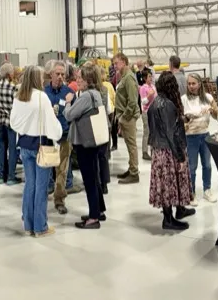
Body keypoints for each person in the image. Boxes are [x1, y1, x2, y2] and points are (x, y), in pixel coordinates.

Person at [11, 66, 62, 237]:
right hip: (41, 146)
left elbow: (14, 123)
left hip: (25, 145)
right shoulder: (42, 97)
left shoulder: (19, 97)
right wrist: (58, 133)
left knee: (29, 186)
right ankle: (40, 227)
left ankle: (28, 225)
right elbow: (52, 125)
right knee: (41, 188)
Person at [148, 72, 197, 230]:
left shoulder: (155, 102)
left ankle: (180, 209)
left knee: (167, 182)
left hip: (159, 150)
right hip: (169, 150)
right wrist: (180, 156)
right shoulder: (167, 104)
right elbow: (170, 133)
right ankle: (168, 219)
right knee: (170, 183)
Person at [65, 63, 109, 229]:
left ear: (88, 79)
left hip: (85, 143)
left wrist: (68, 102)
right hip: (95, 141)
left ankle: (93, 218)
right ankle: (98, 210)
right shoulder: (97, 93)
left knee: (89, 180)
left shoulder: (84, 97)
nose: (77, 80)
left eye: (80, 78)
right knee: (94, 177)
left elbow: (69, 115)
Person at [44, 61, 76, 214]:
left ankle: (59, 199)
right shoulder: (44, 93)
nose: (60, 77)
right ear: (51, 74)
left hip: (64, 136)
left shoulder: (69, 92)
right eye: (57, 74)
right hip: (48, 138)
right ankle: (44, 194)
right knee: (47, 168)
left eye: (63, 74)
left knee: (62, 170)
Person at [183, 73, 218, 205]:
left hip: (205, 135)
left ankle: (207, 189)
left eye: (194, 83)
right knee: (192, 166)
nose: (191, 86)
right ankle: (191, 192)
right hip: (190, 136)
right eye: (189, 84)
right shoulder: (183, 99)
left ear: (199, 84)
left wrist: (214, 110)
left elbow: (216, 115)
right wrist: (187, 119)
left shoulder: (208, 98)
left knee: (207, 165)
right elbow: (180, 119)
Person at [113, 54, 142, 184]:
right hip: (124, 116)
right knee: (130, 145)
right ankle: (131, 169)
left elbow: (132, 101)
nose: (115, 66)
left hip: (128, 117)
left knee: (131, 145)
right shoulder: (124, 77)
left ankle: (134, 173)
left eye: (116, 63)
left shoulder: (129, 78)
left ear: (124, 62)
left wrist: (124, 117)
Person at [138, 69, 156, 160]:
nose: (151, 78)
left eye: (151, 76)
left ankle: (153, 149)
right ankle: (144, 152)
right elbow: (143, 101)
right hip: (146, 112)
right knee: (147, 132)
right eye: (149, 76)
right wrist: (149, 96)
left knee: (153, 131)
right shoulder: (143, 88)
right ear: (145, 78)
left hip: (154, 111)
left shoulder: (153, 86)